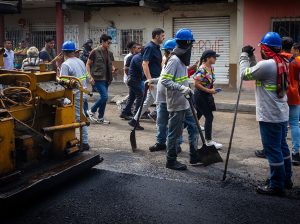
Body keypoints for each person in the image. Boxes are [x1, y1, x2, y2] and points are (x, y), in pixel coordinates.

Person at [240, 32, 292, 196]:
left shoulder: (268, 65)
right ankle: (285, 179)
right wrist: (252, 56)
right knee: (282, 148)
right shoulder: (281, 61)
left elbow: (245, 74)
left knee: (272, 150)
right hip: (281, 113)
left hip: (270, 115)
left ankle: (276, 184)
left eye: (262, 47)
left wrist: (243, 56)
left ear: (265, 48)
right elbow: (258, 72)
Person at [161, 28, 201, 170]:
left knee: (194, 127)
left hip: (186, 101)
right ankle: (170, 160)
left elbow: (181, 78)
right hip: (177, 103)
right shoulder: (174, 59)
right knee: (174, 133)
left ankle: (194, 155)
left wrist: (186, 86)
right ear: (187, 43)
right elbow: (164, 80)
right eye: (191, 44)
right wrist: (181, 88)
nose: (192, 47)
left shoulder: (182, 59)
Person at [128, 28, 165, 129]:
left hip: (156, 78)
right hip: (152, 80)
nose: (163, 38)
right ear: (156, 36)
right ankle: (161, 128)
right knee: (161, 103)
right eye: (162, 36)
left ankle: (134, 120)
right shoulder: (150, 47)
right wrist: (149, 80)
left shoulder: (156, 47)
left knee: (148, 101)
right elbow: (145, 64)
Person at [59, 41, 91, 151]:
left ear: (64, 52)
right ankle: (82, 140)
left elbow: (63, 82)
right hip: (83, 93)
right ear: (74, 51)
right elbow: (86, 76)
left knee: (79, 117)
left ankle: (84, 143)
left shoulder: (65, 64)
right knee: (81, 115)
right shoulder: (80, 61)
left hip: (75, 95)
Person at [149, 38, 180, 152]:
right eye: (165, 52)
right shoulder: (167, 63)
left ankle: (176, 145)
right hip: (162, 99)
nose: (165, 54)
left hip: (172, 99)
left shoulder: (177, 62)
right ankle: (160, 143)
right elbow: (163, 78)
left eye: (167, 52)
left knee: (174, 125)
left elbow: (176, 81)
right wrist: (153, 80)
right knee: (161, 123)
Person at [192, 50, 223, 149]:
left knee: (196, 117)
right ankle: (208, 141)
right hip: (200, 96)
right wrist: (209, 91)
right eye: (214, 57)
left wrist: (212, 90)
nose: (215, 59)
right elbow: (196, 84)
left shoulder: (211, 68)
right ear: (208, 58)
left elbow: (209, 82)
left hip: (206, 95)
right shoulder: (202, 69)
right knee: (209, 117)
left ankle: (177, 133)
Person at [86, 34, 115, 125]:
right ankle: (91, 110)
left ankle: (100, 117)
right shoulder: (95, 51)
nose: (109, 44)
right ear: (102, 41)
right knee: (104, 96)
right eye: (108, 42)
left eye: (110, 43)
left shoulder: (109, 53)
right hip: (97, 78)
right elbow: (88, 64)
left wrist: (113, 68)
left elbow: (110, 64)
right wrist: (89, 77)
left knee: (104, 98)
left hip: (107, 79)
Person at [120, 47, 145, 120]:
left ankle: (124, 113)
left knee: (132, 97)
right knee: (140, 95)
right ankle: (136, 114)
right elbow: (142, 69)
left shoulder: (138, 57)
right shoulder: (138, 58)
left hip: (134, 80)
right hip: (134, 80)